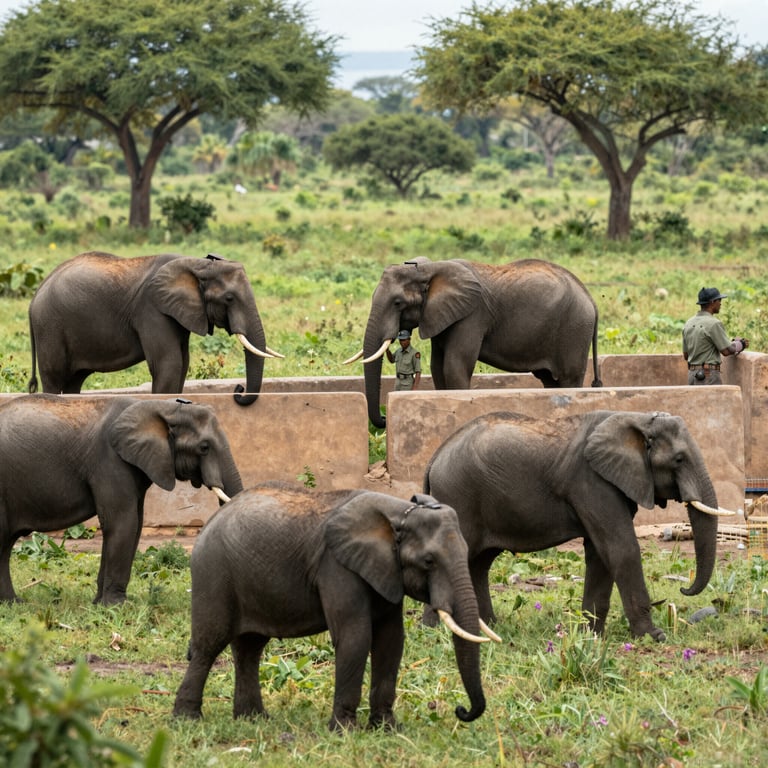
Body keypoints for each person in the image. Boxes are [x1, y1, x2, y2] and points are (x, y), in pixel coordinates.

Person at [682, 287, 749, 385]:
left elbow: (686, 355)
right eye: (719, 300)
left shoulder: (688, 323)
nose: (720, 303)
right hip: (708, 375)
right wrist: (740, 344)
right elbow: (727, 351)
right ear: (712, 302)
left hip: (692, 375)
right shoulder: (714, 323)